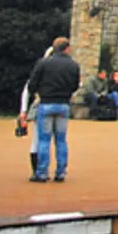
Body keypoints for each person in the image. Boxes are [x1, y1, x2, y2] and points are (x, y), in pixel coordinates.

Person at [26, 37, 79, 183]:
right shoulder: (73, 65)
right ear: (67, 49)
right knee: (61, 140)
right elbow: (75, 85)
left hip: (46, 103)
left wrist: (40, 91)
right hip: (63, 104)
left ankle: (42, 173)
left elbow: (32, 84)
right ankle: (60, 172)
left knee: (44, 140)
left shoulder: (43, 63)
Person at [19, 46, 55, 179]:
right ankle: (39, 170)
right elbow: (27, 90)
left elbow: (27, 90)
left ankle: (40, 170)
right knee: (40, 140)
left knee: (42, 140)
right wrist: (23, 110)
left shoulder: (43, 69)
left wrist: (23, 111)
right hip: (44, 106)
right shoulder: (46, 70)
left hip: (44, 106)